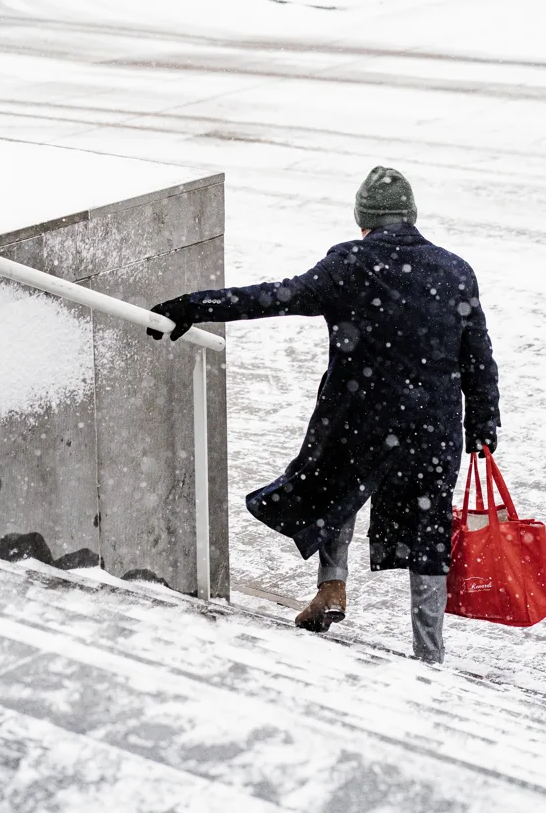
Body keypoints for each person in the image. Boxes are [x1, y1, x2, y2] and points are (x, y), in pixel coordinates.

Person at [147, 166, 500, 664]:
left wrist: (195, 306)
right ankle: (429, 651)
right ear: (411, 217)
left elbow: (273, 297)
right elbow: (477, 356)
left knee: (337, 489)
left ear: (365, 221)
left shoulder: (349, 262)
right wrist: (482, 424)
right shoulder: (455, 269)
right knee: (428, 533)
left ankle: (333, 586)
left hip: (359, 414)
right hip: (431, 425)